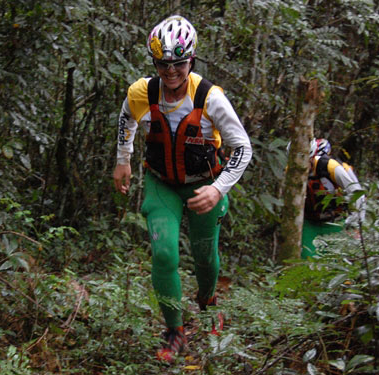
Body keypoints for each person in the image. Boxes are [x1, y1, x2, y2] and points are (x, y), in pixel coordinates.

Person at [112, 15, 252, 361]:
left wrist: (218, 188)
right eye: (163, 64)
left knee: (205, 257)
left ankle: (207, 299)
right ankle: (174, 331)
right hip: (161, 184)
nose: (171, 71)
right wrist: (123, 158)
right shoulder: (143, 91)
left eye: (178, 63)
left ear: (191, 60)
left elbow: (243, 148)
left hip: (204, 185)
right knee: (164, 254)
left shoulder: (210, 98)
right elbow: (126, 116)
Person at [301, 138, 366, 259]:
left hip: (335, 220)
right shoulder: (291, 171)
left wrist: (355, 222)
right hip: (309, 222)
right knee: (307, 259)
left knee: (336, 261)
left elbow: (357, 192)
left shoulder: (330, 166)